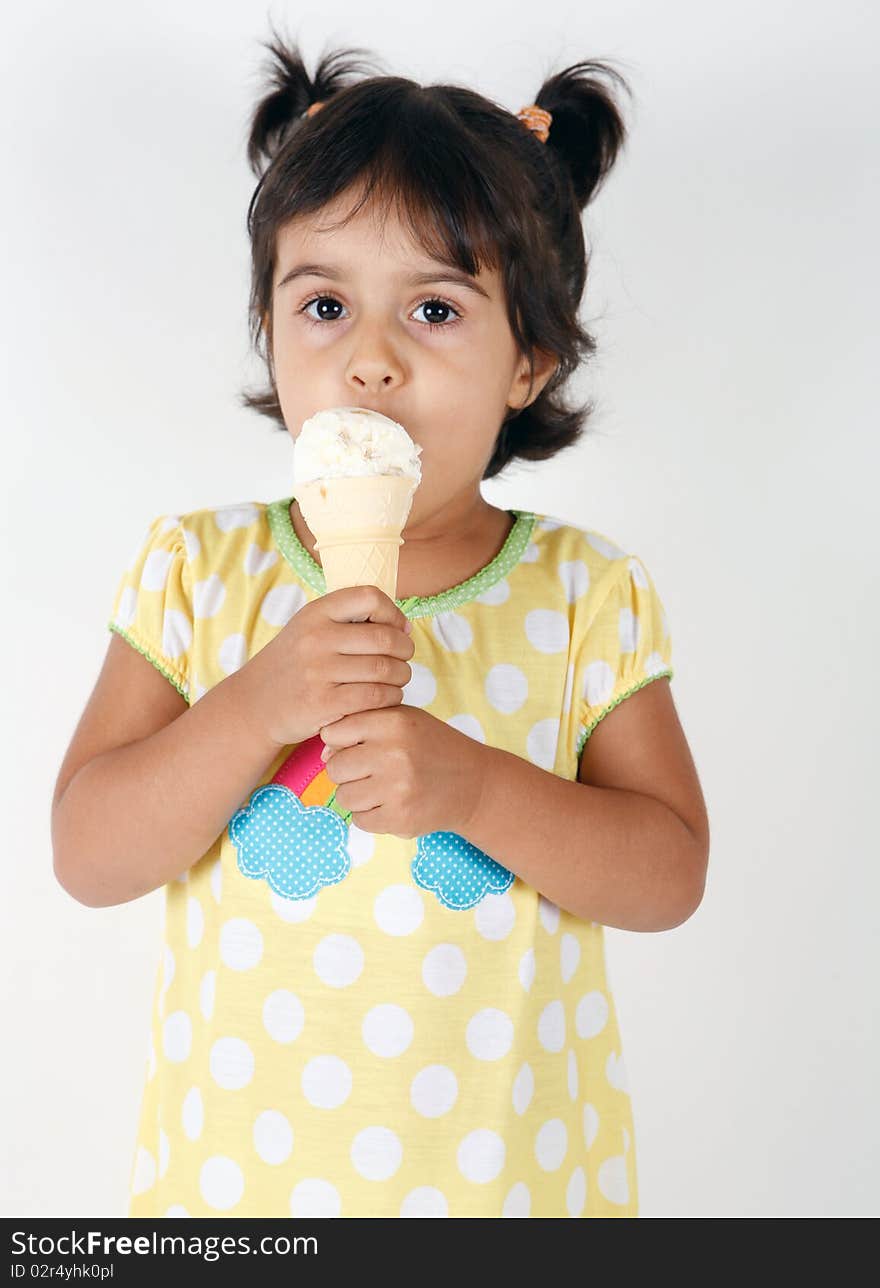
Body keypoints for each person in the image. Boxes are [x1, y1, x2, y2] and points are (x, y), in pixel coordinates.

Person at [51, 30, 710, 1219]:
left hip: (509, 1192)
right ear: (269, 325)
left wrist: (476, 791)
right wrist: (256, 703)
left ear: (531, 361)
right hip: (235, 1198)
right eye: (323, 304)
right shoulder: (199, 570)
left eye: (437, 312)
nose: (368, 362)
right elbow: (88, 853)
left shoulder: (581, 594)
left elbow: (666, 873)